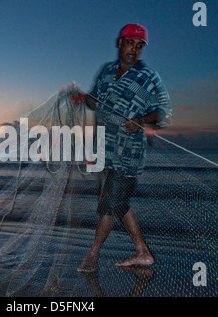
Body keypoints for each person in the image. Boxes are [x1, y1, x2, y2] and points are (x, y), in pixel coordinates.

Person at [77, 24, 172, 272]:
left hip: (128, 154)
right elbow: (95, 101)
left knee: (111, 200)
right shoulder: (107, 71)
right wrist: (81, 97)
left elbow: (164, 113)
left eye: (140, 46)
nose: (135, 49)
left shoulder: (149, 77)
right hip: (104, 149)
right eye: (131, 43)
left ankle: (92, 255)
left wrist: (141, 121)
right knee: (116, 200)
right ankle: (142, 251)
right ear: (120, 43)